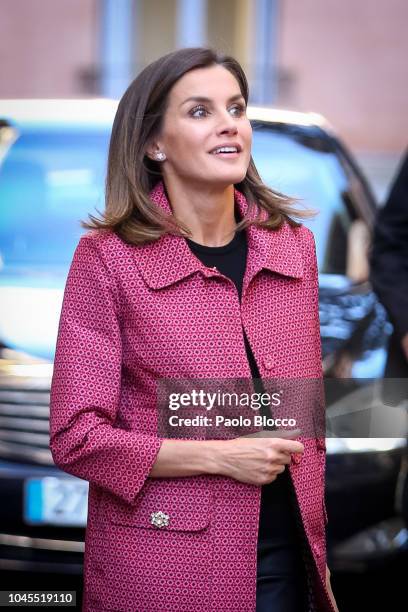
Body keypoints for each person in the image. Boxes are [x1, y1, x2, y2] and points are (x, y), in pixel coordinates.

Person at [49, 47, 338, 612]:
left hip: (289, 554)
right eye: (200, 111)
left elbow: (296, 412)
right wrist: (219, 455)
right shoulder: (108, 261)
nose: (229, 123)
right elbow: (77, 437)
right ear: (154, 144)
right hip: (164, 564)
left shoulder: (293, 249)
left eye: (236, 107)